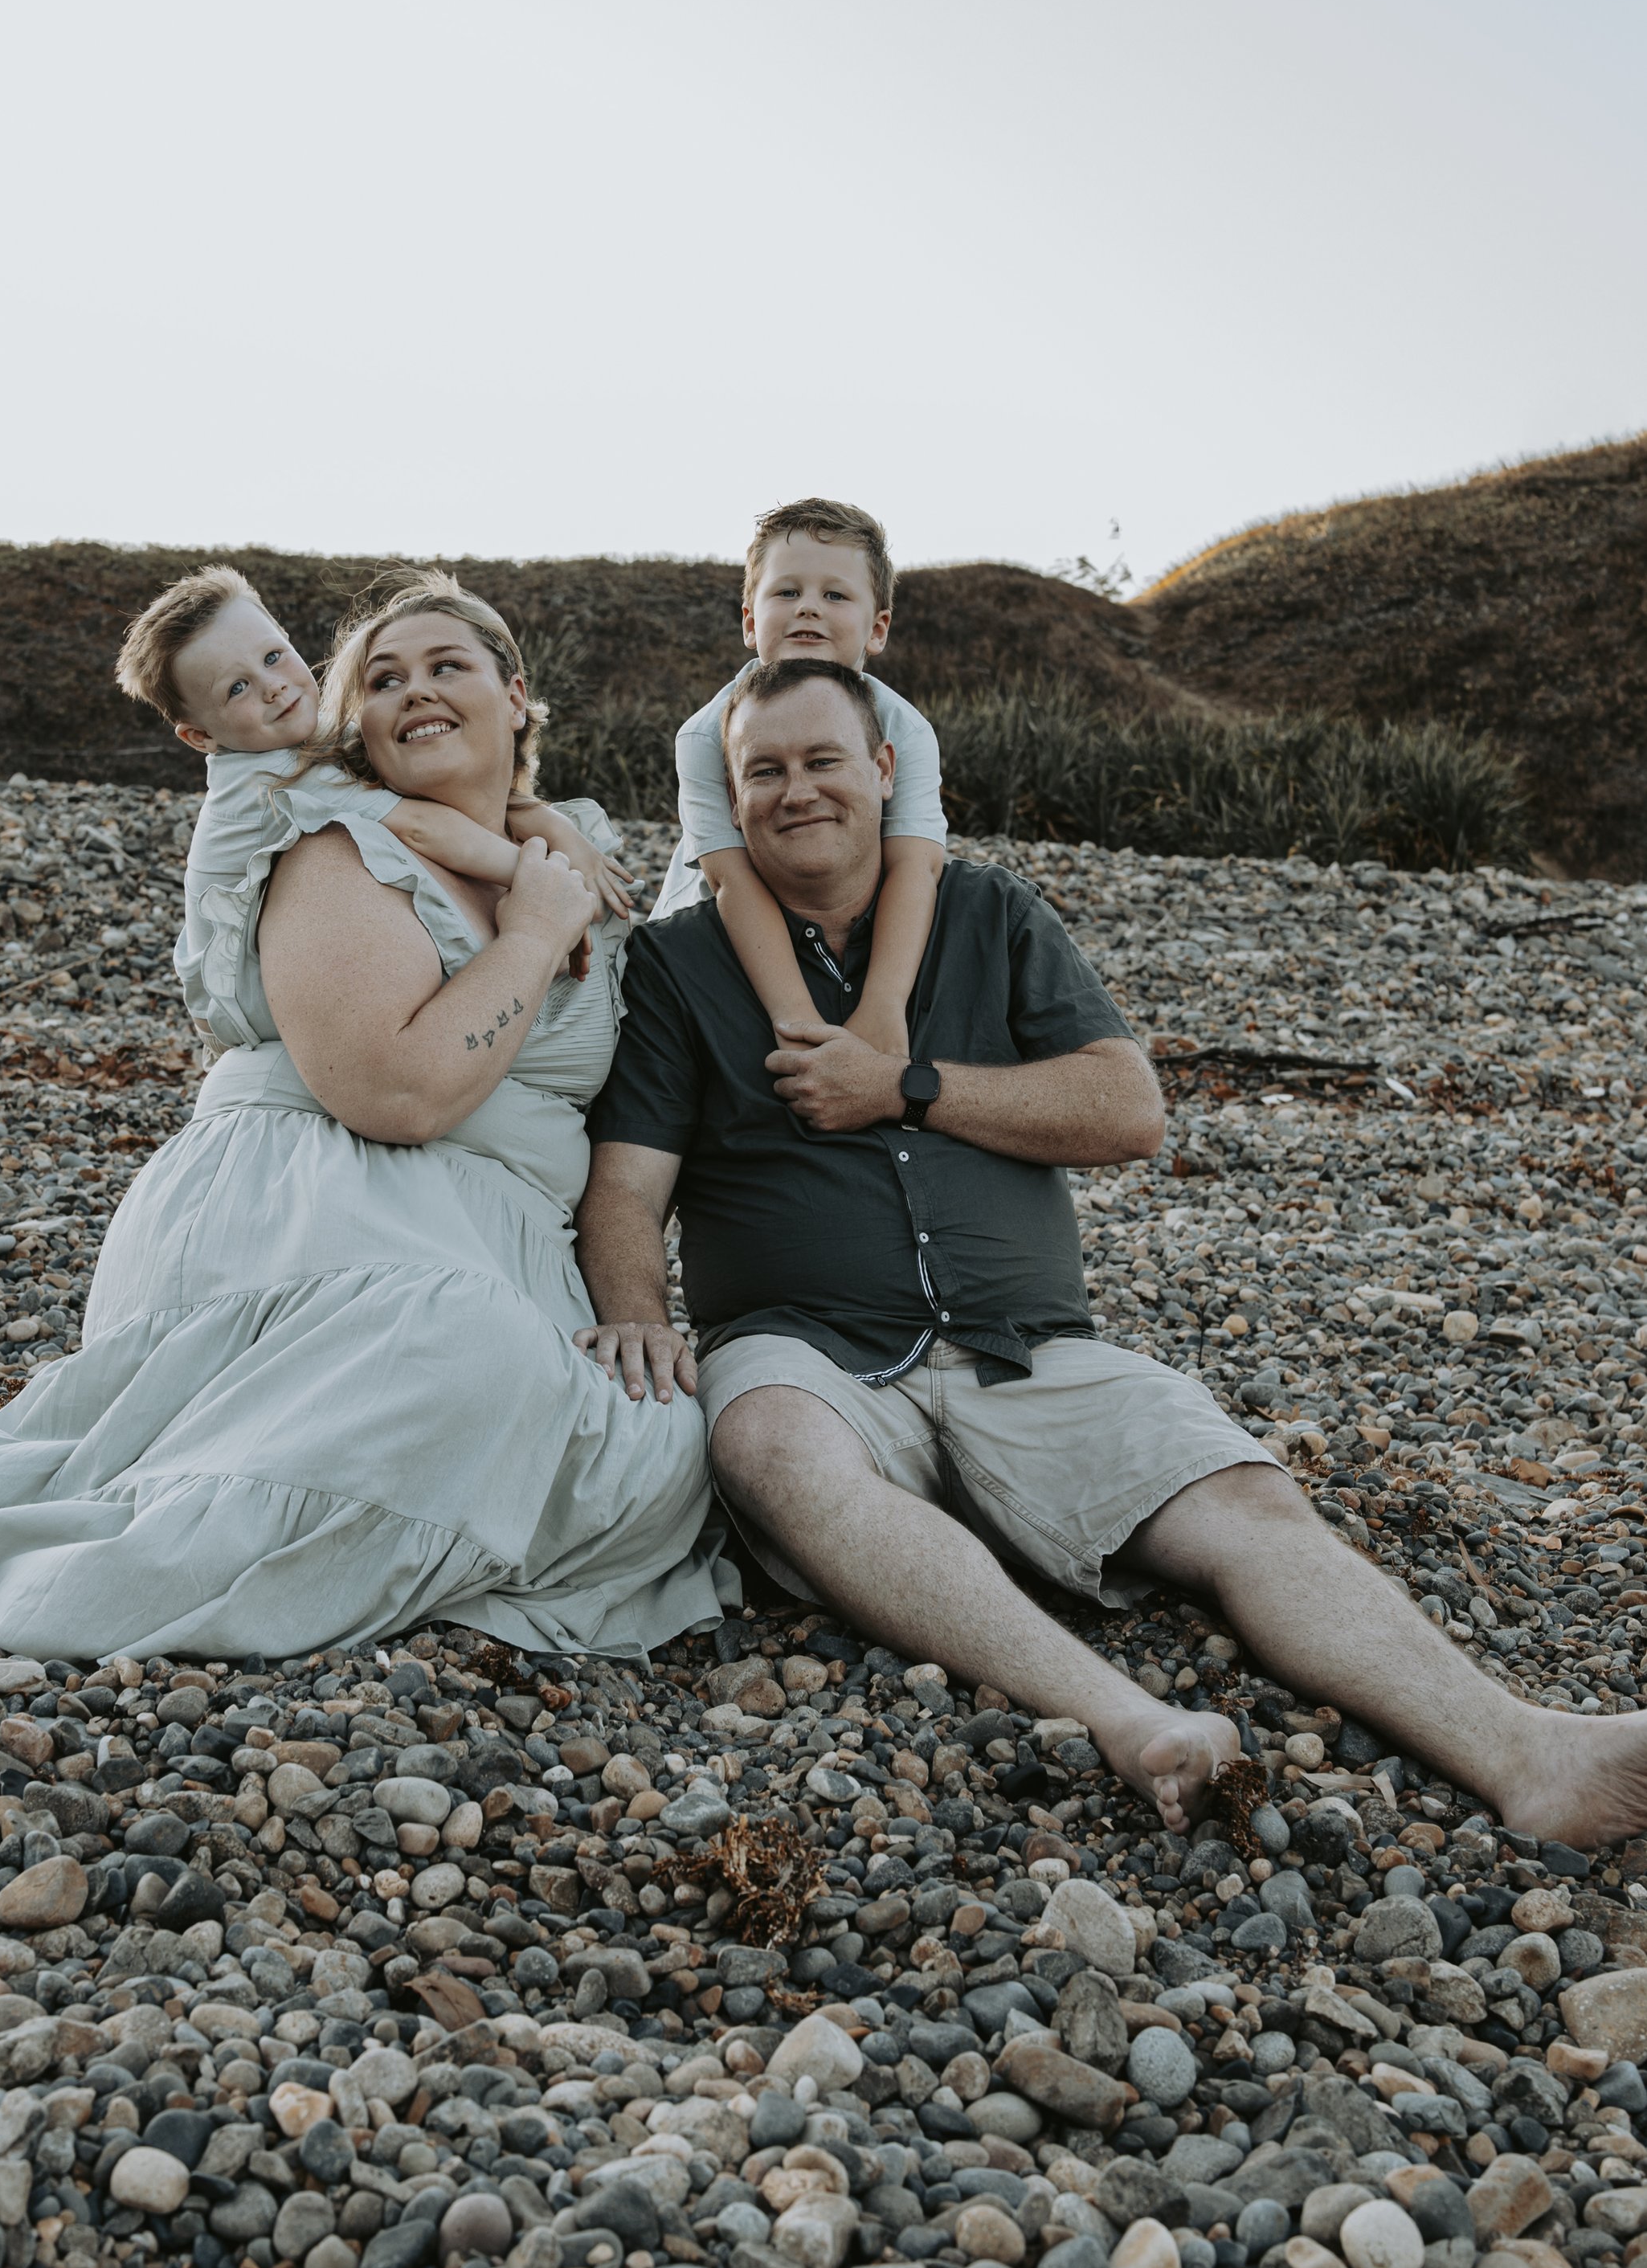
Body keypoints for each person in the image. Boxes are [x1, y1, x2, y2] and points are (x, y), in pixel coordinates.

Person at [575, 652, 1647, 1845]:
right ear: (731, 794)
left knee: (1244, 1497)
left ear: (882, 769)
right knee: (766, 1441)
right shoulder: (678, 964)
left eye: (823, 759)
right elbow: (627, 1183)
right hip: (806, 1350)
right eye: (763, 770)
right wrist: (635, 1308)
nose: (796, 790)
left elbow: (1126, 1109)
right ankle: (1126, 1716)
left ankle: (1529, 1749)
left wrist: (910, 1086)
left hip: (1024, 1348)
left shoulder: (989, 915)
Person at [0, 569, 726, 1664]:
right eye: (384, 678)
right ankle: (200, 1553)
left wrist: (637, 1304)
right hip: (317, 1207)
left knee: (666, 1440)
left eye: (447, 664)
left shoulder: (571, 852)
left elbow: (627, 1137)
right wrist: (535, 937)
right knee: (469, 1352)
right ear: (356, 725)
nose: (415, 689)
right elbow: (393, 1094)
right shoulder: (332, 845)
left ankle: (412, 1529)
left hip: (506, 1242)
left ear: (516, 693)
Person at [108, 563, 632, 1044]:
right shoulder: (263, 777)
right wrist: (545, 876)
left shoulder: (297, 738)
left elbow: (413, 776)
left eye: (273, 657)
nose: (273, 687)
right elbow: (424, 827)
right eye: (238, 688)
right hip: (242, 1001)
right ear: (200, 736)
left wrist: (547, 820)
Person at [655, 498, 946, 1064]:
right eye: (787, 593)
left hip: (837, 921)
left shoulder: (905, 731)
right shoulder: (704, 736)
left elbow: (916, 862)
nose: (807, 609)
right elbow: (730, 882)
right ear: (749, 620)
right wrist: (798, 1022)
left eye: (834, 595)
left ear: (877, 628)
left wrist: (883, 1006)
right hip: (720, 924)